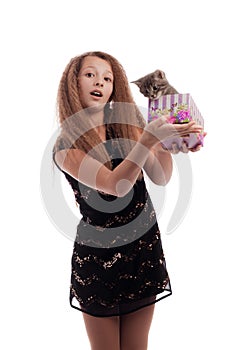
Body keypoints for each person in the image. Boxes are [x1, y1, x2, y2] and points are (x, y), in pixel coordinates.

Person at [52, 51, 204, 350]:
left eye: (107, 78)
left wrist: (168, 141)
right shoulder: (65, 144)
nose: (100, 82)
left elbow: (160, 176)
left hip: (142, 248)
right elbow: (113, 186)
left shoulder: (125, 127)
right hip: (98, 256)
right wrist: (147, 139)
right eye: (91, 74)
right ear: (74, 83)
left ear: (114, 87)